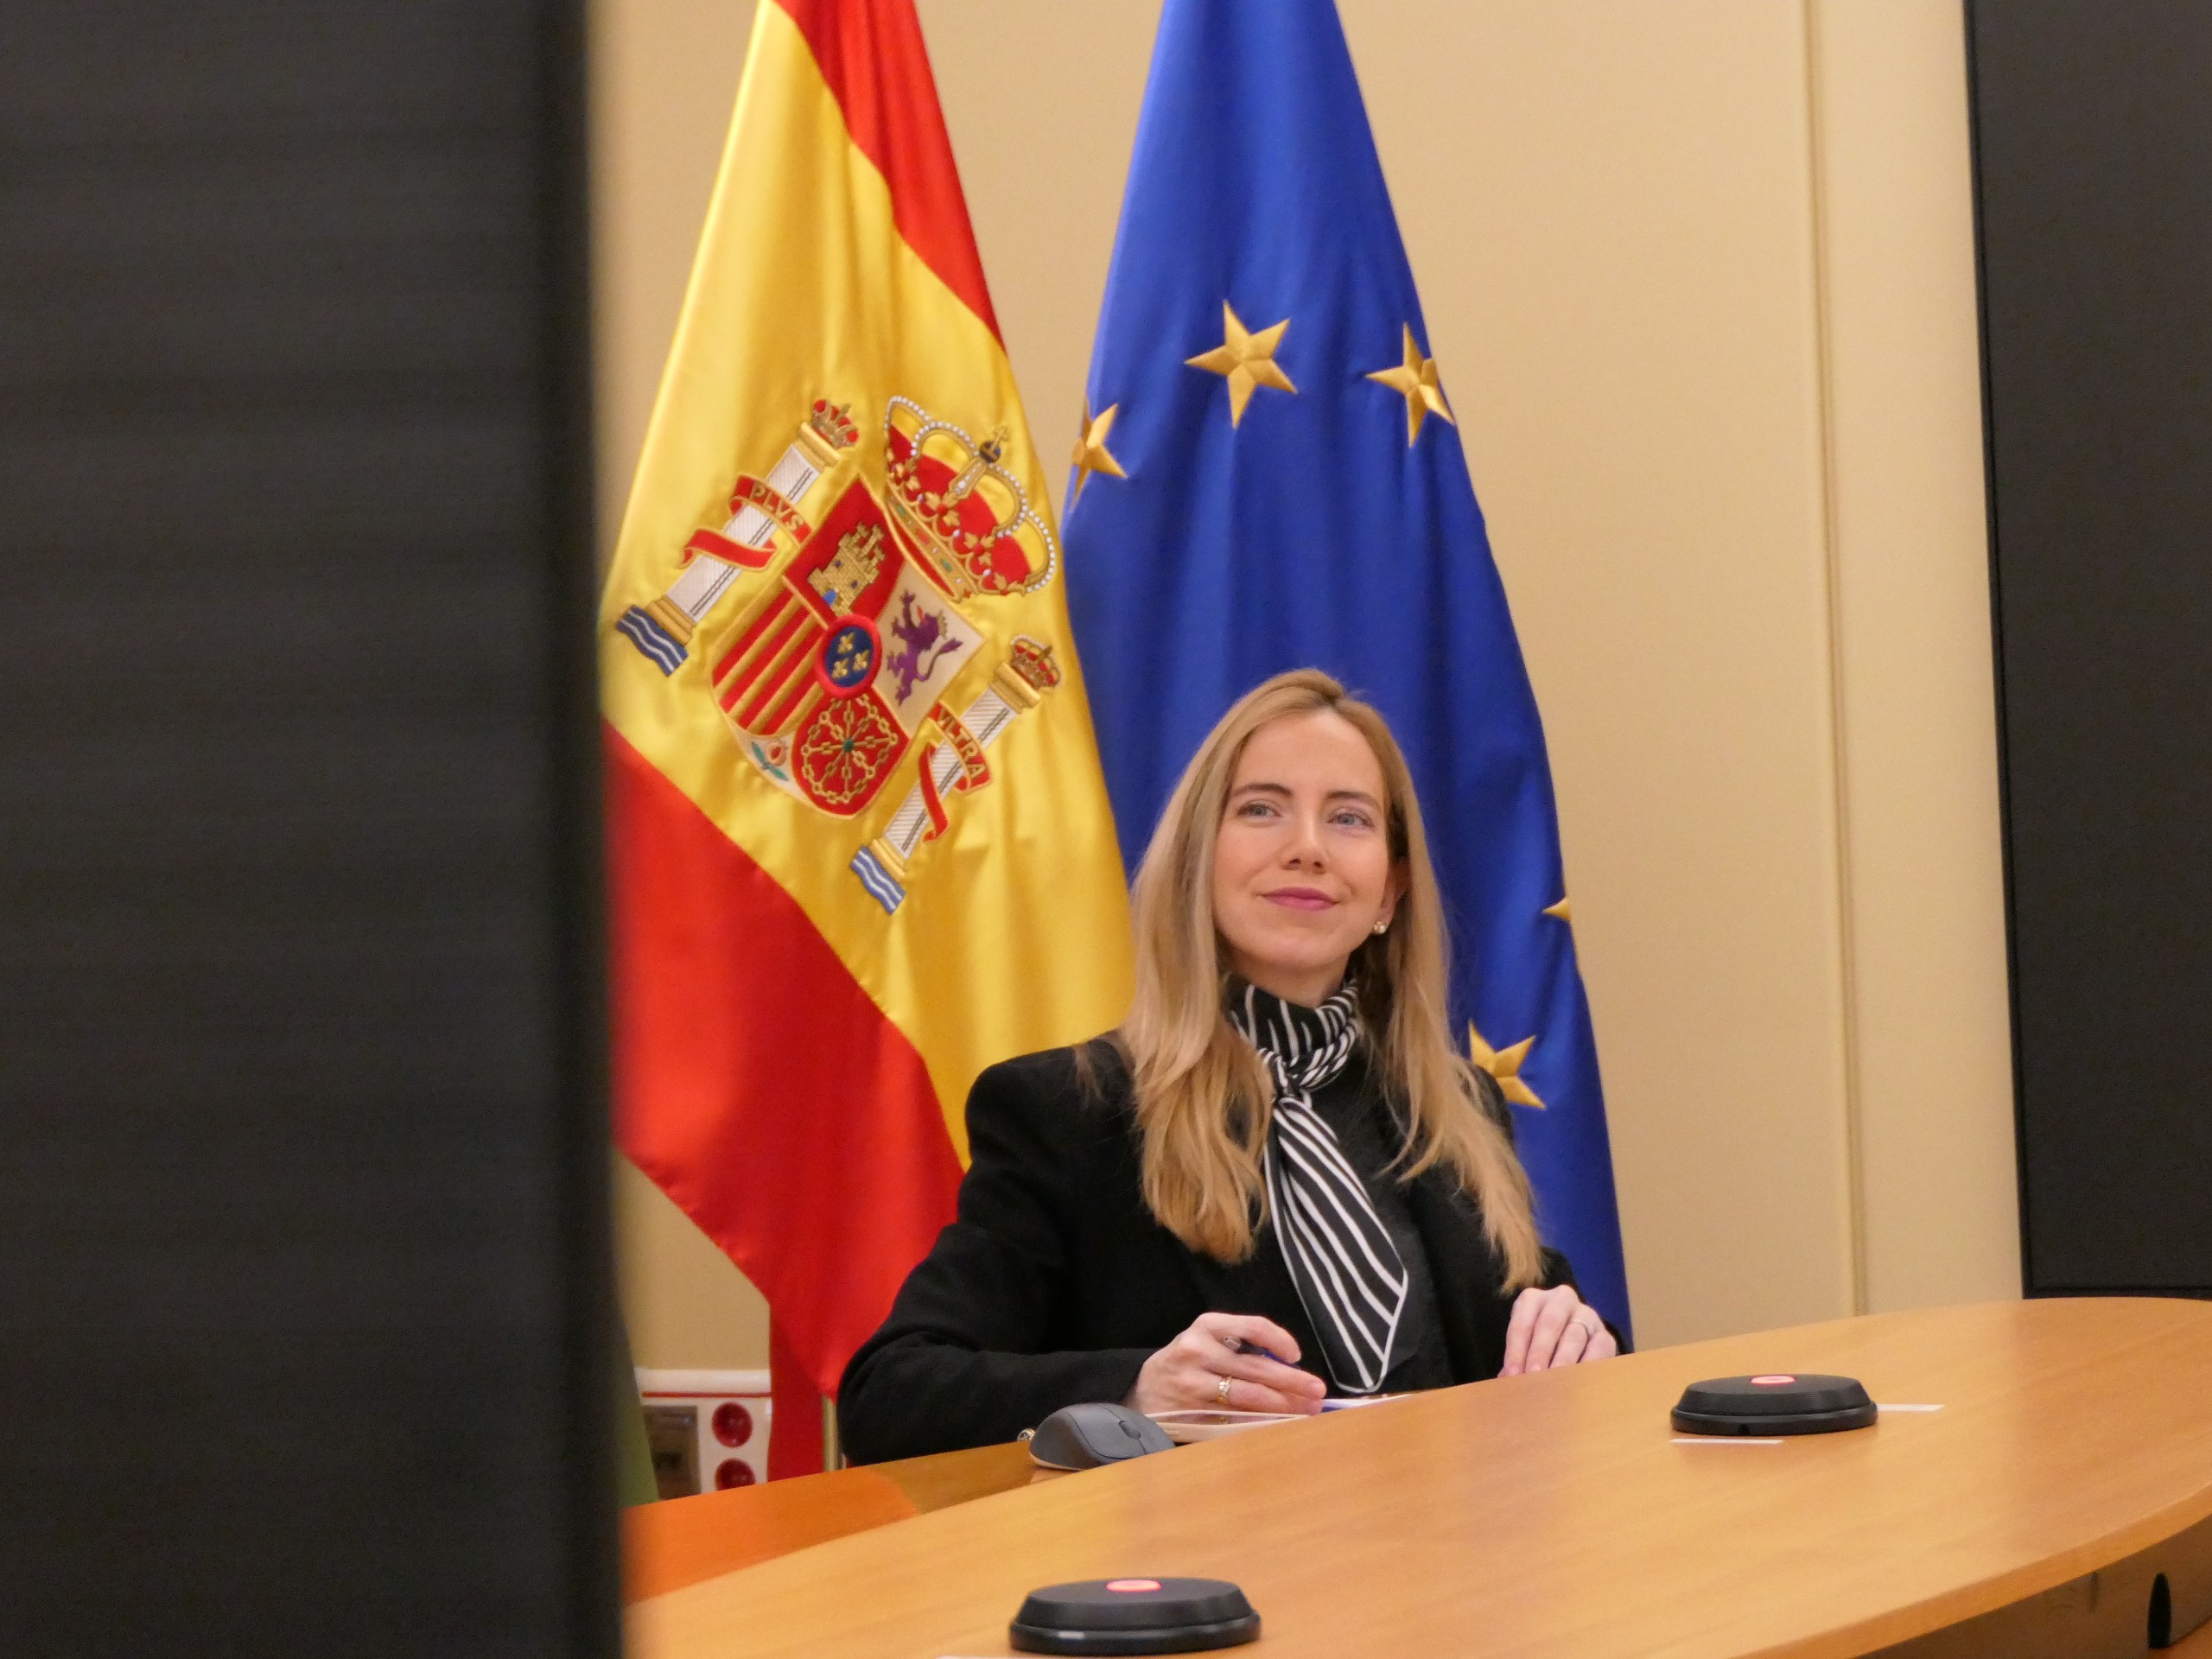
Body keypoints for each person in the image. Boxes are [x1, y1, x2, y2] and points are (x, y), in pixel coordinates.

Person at [838, 669, 1619, 1464]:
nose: (1307, 849)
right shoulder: (1069, 1112)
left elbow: (1552, 1347)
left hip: (1464, 1572)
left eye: (1348, 819)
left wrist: (1582, 1339)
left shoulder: (1456, 1108)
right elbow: (889, 1396)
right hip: (1214, 1579)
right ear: (1195, 863)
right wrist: (1136, 1391)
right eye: (1261, 809)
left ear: (1390, 892)